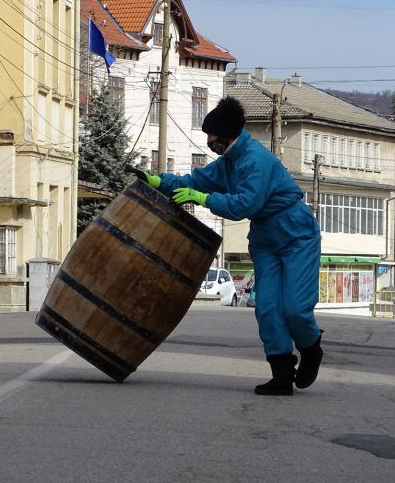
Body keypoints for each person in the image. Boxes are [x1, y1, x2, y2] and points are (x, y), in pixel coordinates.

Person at [130, 97, 323, 396]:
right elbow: (195, 180)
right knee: (269, 307)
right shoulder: (228, 163)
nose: (209, 141)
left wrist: (203, 199)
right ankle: (282, 374)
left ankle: (311, 348)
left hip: (296, 233)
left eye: (212, 135)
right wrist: (156, 181)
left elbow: (245, 204)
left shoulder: (257, 161)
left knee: (295, 308)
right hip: (265, 239)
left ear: (228, 134)